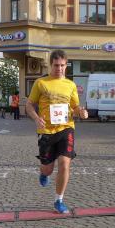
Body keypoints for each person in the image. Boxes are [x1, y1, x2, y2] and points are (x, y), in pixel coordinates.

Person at [25, 50, 88, 214]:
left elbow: (75, 107)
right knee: (48, 169)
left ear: (66, 66)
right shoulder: (41, 83)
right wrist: (36, 118)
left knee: (65, 163)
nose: (59, 68)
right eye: (56, 65)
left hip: (66, 128)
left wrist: (81, 112)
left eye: (62, 65)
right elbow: (29, 105)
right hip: (46, 130)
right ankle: (43, 173)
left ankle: (58, 200)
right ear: (50, 65)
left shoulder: (70, 85)